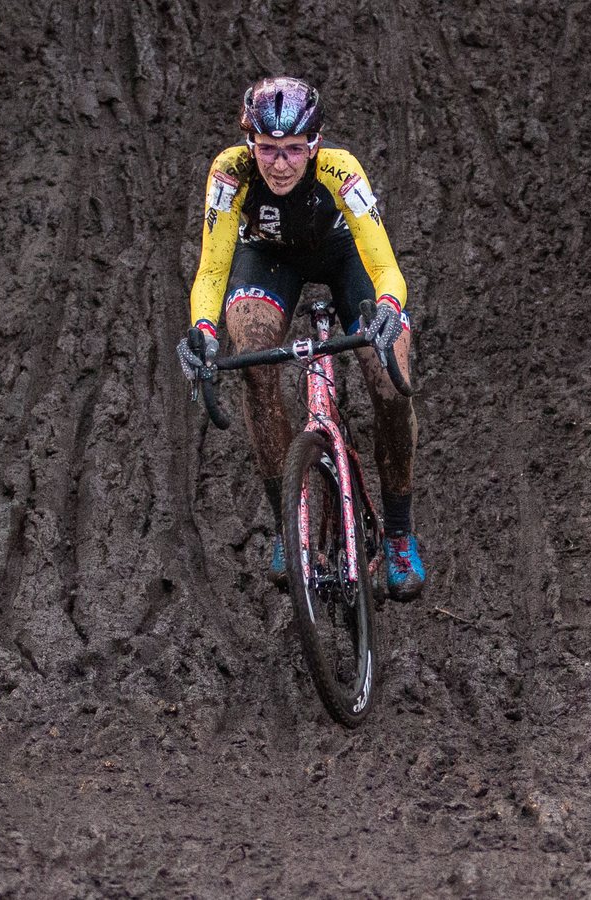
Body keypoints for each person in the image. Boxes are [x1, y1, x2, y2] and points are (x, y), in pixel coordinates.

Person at [176, 75, 426, 601]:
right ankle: (289, 528)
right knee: (252, 360)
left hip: (344, 257)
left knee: (389, 382)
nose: (281, 163)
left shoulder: (340, 169)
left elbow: (386, 265)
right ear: (251, 145)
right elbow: (212, 268)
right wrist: (201, 329)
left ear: (314, 145)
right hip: (268, 261)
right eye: (268, 149)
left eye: (294, 150)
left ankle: (400, 534)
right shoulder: (230, 173)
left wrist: (388, 307)